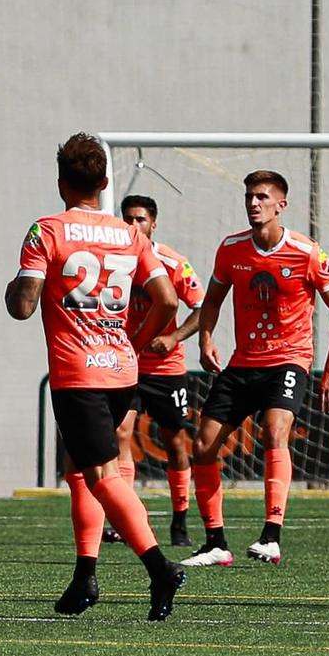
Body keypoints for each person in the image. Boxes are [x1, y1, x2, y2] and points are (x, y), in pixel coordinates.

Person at [6, 133, 185, 620]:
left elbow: (22, 306)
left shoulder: (48, 230)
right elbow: (168, 300)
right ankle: (84, 577)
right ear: (105, 182)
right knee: (83, 472)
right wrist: (138, 339)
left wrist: (15, 286)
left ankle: (160, 568)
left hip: (78, 373)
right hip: (121, 369)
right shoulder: (130, 234)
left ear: (62, 183)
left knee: (103, 477)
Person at [169, 170, 329, 567]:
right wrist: (206, 339)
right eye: (249, 196)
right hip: (243, 362)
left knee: (274, 429)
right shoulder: (232, 250)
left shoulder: (306, 252)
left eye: (262, 197)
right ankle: (215, 542)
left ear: (280, 205)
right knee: (203, 445)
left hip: (289, 358)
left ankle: (271, 535)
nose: (254, 203)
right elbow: (212, 300)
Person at [119, 195, 206, 548]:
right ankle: (127, 519)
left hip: (166, 368)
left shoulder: (172, 262)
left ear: (153, 223)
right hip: (126, 364)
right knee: (121, 434)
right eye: (127, 218)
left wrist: (174, 337)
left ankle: (180, 519)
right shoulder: (113, 260)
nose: (132, 225)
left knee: (174, 442)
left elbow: (203, 307)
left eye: (139, 219)